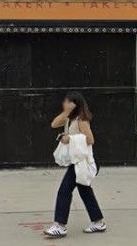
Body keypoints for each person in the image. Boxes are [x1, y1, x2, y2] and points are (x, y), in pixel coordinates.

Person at [44, 91, 106, 238]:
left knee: (64, 190)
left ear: (74, 104)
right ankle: (98, 222)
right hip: (78, 161)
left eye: (66, 102)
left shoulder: (81, 120)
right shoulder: (69, 119)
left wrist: (70, 139)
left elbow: (90, 139)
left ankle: (60, 225)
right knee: (85, 191)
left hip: (84, 161)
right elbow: (54, 124)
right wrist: (66, 112)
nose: (63, 104)